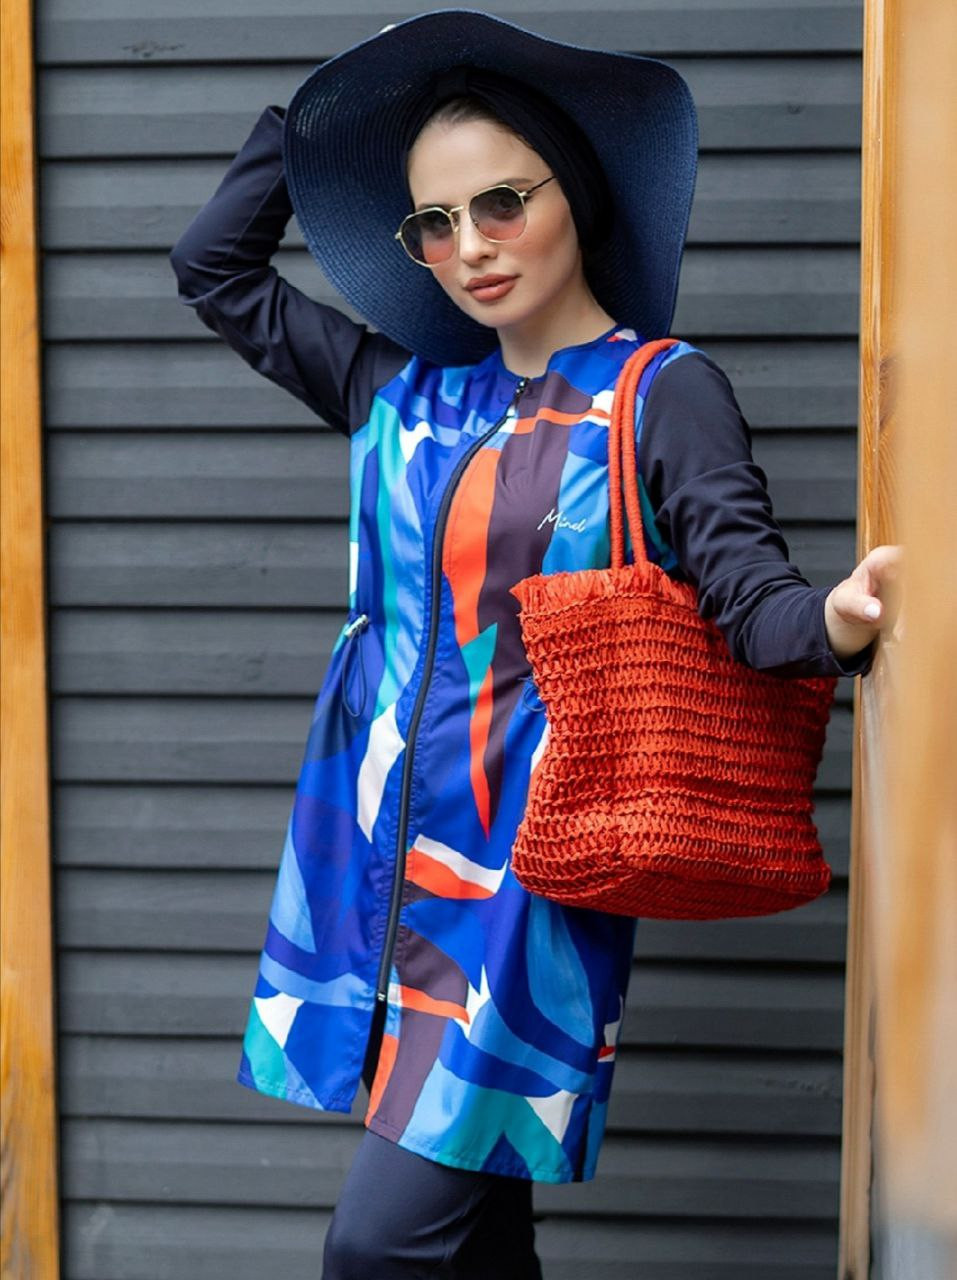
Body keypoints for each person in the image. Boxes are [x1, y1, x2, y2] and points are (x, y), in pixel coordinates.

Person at [168, 11, 900, 1277]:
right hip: (366, 853)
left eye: (501, 201)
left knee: (380, 1248)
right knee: (478, 1230)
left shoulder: (656, 389)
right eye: (433, 223)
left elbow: (747, 586)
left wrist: (832, 626)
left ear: (580, 193)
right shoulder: (400, 389)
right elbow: (213, 268)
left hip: (523, 878)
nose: (469, 248)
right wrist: (321, 117)